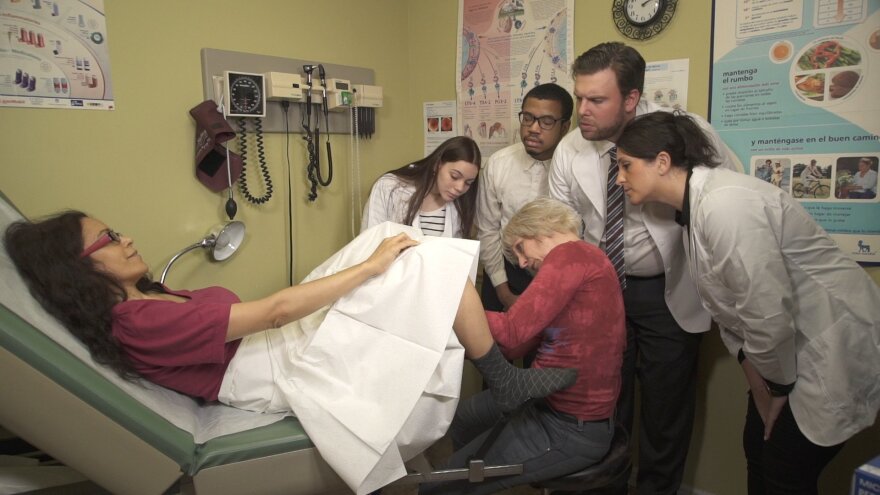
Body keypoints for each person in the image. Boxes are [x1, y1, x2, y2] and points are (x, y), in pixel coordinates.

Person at [4, 211, 577, 494]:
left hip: (263, 348)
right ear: (79, 269)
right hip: (265, 367)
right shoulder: (137, 318)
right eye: (108, 240)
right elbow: (276, 312)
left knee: (394, 234)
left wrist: (372, 263)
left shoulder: (142, 301)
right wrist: (369, 271)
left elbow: (271, 314)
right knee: (414, 262)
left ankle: (496, 372)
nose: (125, 238)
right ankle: (501, 375)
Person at [614, 110, 880, 495]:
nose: (619, 178)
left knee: (783, 469)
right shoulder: (693, 207)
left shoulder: (725, 205)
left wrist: (775, 387)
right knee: (758, 449)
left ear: (662, 162)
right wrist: (756, 375)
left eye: (625, 166)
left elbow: (765, 311)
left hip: (829, 341)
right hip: (782, 354)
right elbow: (727, 304)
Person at [549, 41, 739, 495]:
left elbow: (725, 198)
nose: (583, 111)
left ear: (631, 99)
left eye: (597, 100)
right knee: (605, 404)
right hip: (601, 291)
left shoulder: (687, 133)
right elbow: (561, 230)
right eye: (579, 98)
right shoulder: (571, 149)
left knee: (665, 412)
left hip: (667, 291)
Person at [422, 197, 626, 495]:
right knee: (465, 419)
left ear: (541, 230)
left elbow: (512, 333)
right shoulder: (588, 260)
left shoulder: (570, 256)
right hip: (548, 404)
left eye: (520, 247)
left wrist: (455, 309)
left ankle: (465, 479)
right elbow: (515, 348)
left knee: (439, 487)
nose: (521, 262)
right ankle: (472, 476)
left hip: (569, 427)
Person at [476, 83, 573, 311]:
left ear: (565, 126)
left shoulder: (574, 168)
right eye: (528, 118)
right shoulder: (499, 163)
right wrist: (503, 291)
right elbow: (487, 230)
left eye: (546, 122)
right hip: (504, 272)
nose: (533, 128)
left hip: (558, 275)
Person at [362, 135, 481, 237]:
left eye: (468, 182)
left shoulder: (460, 204)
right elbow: (369, 243)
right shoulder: (389, 187)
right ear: (437, 164)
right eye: (454, 176)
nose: (460, 188)